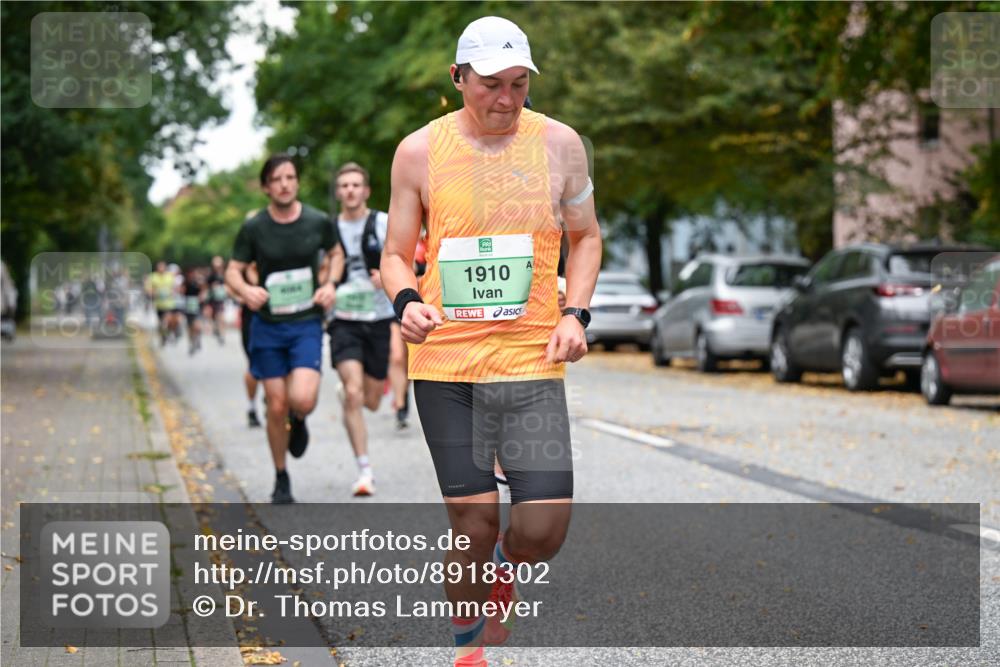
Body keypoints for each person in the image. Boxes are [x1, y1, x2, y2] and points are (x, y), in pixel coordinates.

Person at [381, 16, 601, 667]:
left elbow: (586, 236)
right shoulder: (418, 151)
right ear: (457, 79)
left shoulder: (561, 145)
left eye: (518, 84)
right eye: (490, 85)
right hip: (447, 365)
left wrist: (576, 314)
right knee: (473, 523)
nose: (506, 99)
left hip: (531, 359)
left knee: (544, 527)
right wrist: (407, 302)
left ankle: (508, 566)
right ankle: (468, 648)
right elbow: (395, 254)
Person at [225, 154, 344, 505]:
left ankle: (299, 416)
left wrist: (331, 284)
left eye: (290, 177)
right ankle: (281, 476)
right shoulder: (254, 228)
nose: (284, 184)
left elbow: (336, 254)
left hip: (305, 322)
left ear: (297, 182)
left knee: (302, 398)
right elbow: (234, 269)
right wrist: (245, 290)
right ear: (265, 187)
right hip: (268, 325)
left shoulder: (318, 221)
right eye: (276, 179)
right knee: (274, 405)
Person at [328, 162, 398, 496]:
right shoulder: (329, 230)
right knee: (354, 393)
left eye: (356, 184)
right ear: (338, 192)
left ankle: (352, 393)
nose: (350, 190)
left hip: (379, 318)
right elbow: (321, 269)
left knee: (370, 400)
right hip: (343, 320)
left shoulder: (382, 222)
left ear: (366, 191)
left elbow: (405, 261)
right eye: (344, 185)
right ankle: (364, 470)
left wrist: (385, 277)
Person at [148, 261, 179, 346]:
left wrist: (172, 292)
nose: (161, 269)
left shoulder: (170, 276)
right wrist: (155, 293)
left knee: (168, 319)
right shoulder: (153, 277)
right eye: (159, 267)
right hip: (159, 304)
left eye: (162, 267)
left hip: (169, 304)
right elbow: (148, 289)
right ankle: (163, 337)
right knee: (161, 323)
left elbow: (175, 288)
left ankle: (170, 332)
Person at [181, 267, 205, 355]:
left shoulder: (199, 283)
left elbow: (203, 292)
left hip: (197, 306)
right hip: (188, 306)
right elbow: (181, 292)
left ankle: (198, 337)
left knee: (197, 325)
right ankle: (191, 343)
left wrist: (200, 298)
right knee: (190, 326)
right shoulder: (185, 283)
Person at [205, 255, 227, 345]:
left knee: (220, 315)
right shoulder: (211, 275)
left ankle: (222, 334)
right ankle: (216, 328)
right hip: (213, 298)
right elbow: (206, 286)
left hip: (222, 299)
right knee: (213, 316)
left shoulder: (225, 274)